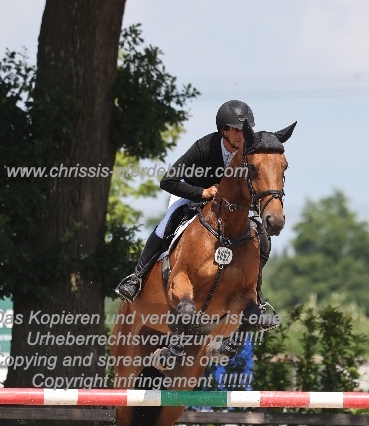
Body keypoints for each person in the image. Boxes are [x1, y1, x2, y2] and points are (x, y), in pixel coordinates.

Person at [114, 100, 278, 331]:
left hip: (230, 209)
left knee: (261, 237)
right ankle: (136, 278)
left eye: (245, 129)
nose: (242, 135)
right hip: (191, 197)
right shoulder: (205, 147)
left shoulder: (249, 153)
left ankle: (257, 299)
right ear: (223, 130)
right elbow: (168, 180)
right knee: (165, 226)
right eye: (236, 129)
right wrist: (203, 192)